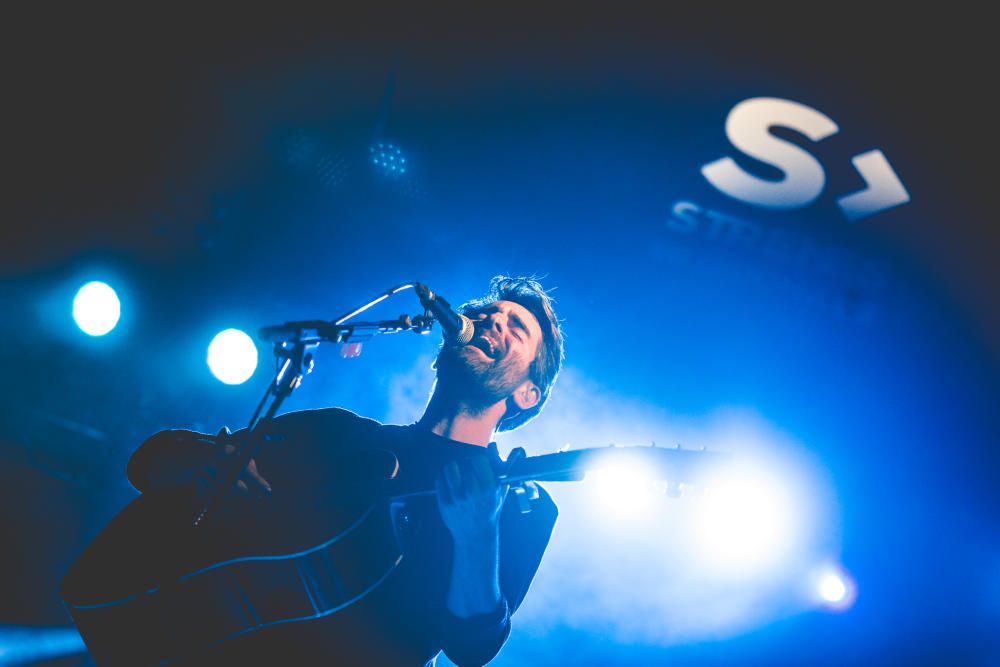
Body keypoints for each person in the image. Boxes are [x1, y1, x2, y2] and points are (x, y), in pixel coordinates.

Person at [125, 275, 565, 666]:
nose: (491, 320)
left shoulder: (519, 505)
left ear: (528, 393)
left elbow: (471, 650)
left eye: (515, 327)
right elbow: (149, 461)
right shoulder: (342, 433)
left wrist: (476, 537)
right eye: (488, 312)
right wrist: (201, 465)